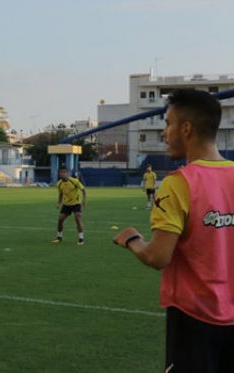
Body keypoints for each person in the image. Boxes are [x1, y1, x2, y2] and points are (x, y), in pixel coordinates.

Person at [113, 89, 234, 373]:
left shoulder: (179, 183)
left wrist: (131, 239)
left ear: (186, 128)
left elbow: (158, 257)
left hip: (194, 320)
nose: (165, 133)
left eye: (168, 123)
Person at [51, 166, 87, 245]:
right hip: (66, 204)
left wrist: (84, 201)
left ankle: (81, 238)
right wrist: (59, 203)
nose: (63, 174)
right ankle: (59, 237)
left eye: (64, 172)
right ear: (59, 174)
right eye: (61, 172)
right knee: (60, 220)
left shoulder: (74, 181)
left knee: (77, 218)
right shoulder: (59, 184)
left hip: (76, 203)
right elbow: (60, 194)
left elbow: (83, 190)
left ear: (67, 173)